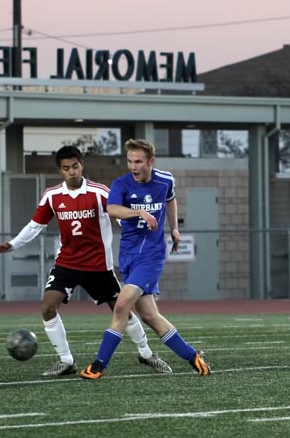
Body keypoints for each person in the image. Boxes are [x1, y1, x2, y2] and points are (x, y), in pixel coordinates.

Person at [0, 145, 172, 376]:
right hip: (67, 263)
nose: (72, 172)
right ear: (60, 170)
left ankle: (146, 354)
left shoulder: (99, 192)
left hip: (98, 265)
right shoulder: (52, 195)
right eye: (66, 168)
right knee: (47, 307)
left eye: (75, 166)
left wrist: (142, 238)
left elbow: (120, 215)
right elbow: (36, 225)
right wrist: (13, 244)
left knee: (122, 310)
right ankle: (66, 361)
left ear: (81, 165)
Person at [80, 138, 211, 380]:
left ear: (151, 161)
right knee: (150, 316)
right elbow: (112, 209)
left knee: (121, 305)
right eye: (130, 161)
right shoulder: (121, 184)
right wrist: (138, 212)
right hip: (128, 254)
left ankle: (98, 365)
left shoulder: (165, 180)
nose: (133, 166)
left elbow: (170, 200)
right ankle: (192, 355)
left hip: (151, 255)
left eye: (138, 161)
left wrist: (174, 228)